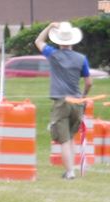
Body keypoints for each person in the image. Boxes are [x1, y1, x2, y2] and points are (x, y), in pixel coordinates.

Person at [34, 21, 92, 180]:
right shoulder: (82, 58)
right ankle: (70, 169)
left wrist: (49, 27)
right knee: (71, 137)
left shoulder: (53, 54)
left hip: (61, 101)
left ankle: (70, 172)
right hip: (77, 102)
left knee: (64, 140)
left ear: (59, 41)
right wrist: (84, 96)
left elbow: (38, 41)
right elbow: (88, 82)